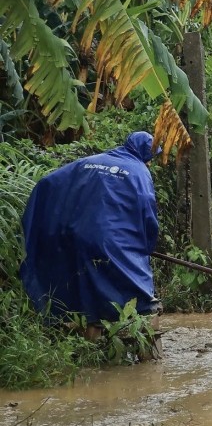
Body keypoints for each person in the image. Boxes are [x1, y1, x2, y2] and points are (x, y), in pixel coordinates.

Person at [20, 132, 161, 327]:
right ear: (146, 155)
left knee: (81, 284)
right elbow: (147, 212)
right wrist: (147, 245)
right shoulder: (138, 171)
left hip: (72, 233)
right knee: (140, 290)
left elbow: (48, 182)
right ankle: (144, 341)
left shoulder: (88, 162)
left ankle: (85, 337)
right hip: (110, 240)